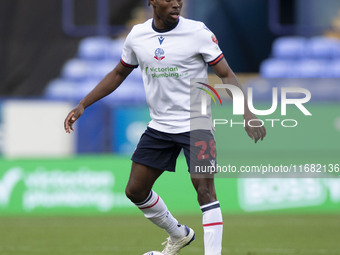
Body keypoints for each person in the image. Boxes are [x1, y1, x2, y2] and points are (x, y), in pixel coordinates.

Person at [64, 0, 266, 254]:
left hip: (197, 123)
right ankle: (178, 234)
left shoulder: (198, 32)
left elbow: (225, 73)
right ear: (152, 2)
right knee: (135, 190)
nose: (176, 3)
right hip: (159, 126)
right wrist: (84, 104)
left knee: (204, 190)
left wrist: (246, 111)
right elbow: (118, 73)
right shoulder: (138, 36)